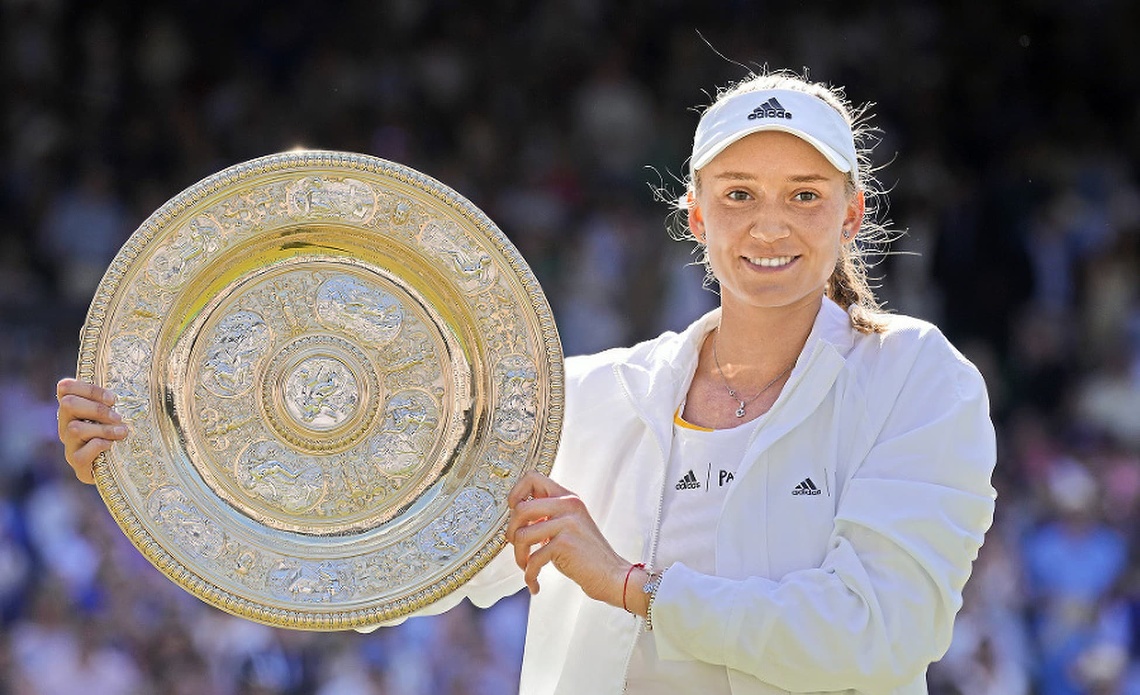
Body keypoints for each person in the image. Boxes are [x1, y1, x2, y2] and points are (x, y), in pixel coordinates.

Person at [57, 70, 998, 694]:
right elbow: (398, 561)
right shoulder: (588, 393)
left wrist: (632, 585)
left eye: (805, 194)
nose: (771, 223)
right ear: (696, 214)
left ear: (852, 213)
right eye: (740, 193)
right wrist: (154, 462)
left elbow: (881, 629)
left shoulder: (916, 380)